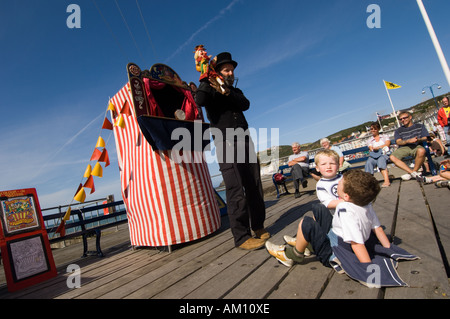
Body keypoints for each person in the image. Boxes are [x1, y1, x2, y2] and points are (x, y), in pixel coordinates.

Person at [265, 169, 419, 287]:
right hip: (337, 237)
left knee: (306, 222)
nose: (337, 183)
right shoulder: (366, 204)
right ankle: (305, 242)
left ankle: (293, 255)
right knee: (319, 208)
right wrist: (388, 248)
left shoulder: (346, 212)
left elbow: (356, 244)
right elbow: (377, 228)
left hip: (335, 252)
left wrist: (367, 267)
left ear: (346, 196)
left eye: (339, 183)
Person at [195, 52, 269, 251]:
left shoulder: (235, 91)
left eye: (232, 70)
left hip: (245, 140)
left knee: (254, 184)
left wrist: (228, 91)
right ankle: (241, 237)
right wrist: (205, 76)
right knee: (235, 188)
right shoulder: (209, 89)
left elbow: (245, 104)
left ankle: (258, 226)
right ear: (217, 72)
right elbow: (200, 100)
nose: (230, 72)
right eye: (226, 70)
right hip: (225, 142)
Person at [281, 149, 343, 251]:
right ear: (317, 168)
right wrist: (348, 201)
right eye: (324, 164)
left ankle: (304, 242)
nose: (328, 166)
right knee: (317, 211)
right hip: (333, 216)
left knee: (316, 213)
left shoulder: (345, 178)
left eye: (332, 163)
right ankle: (305, 242)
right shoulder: (321, 184)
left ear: (338, 164)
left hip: (344, 218)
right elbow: (327, 204)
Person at [389, 111, 429, 181]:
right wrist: (408, 141)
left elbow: (425, 137)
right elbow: (398, 142)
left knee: (421, 151)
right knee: (392, 157)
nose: (403, 120)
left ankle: (414, 172)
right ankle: (413, 173)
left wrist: (417, 140)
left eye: (404, 118)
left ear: (410, 117)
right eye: (401, 119)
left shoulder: (419, 126)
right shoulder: (398, 130)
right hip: (405, 147)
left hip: (417, 145)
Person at [364, 122, 391, 187]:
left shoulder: (384, 136)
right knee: (368, 162)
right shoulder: (370, 140)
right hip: (374, 155)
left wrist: (378, 147)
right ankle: (369, 182)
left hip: (383, 154)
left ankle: (386, 181)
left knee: (381, 160)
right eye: (371, 129)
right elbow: (371, 148)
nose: (372, 130)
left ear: (378, 129)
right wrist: (375, 148)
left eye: (374, 129)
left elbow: (387, 144)